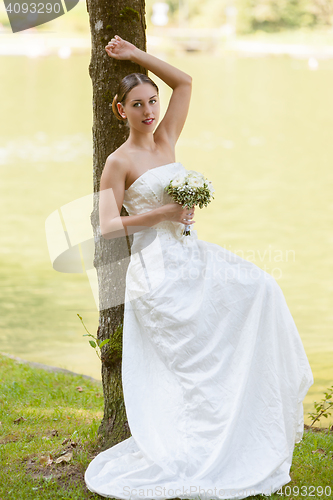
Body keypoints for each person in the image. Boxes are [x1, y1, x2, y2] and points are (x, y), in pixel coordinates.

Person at [85, 35, 313, 500]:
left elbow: (185, 81)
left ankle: (246, 424)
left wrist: (135, 56)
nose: (149, 111)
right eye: (137, 104)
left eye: (152, 101)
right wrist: (162, 214)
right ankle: (193, 446)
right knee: (192, 362)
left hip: (190, 253)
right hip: (155, 271)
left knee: (262, 289)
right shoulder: (118, 162)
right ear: (120, 110)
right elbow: (109, 227)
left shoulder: (167, 138)